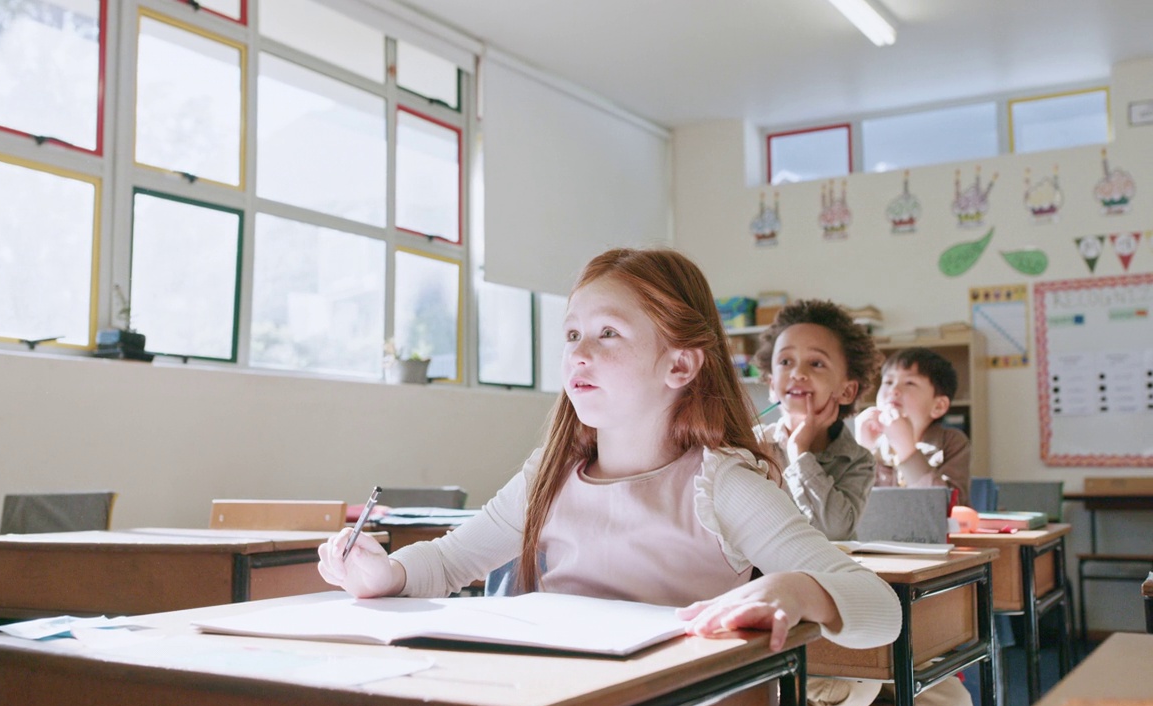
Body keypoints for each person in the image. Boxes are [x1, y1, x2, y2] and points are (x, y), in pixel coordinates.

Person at [318, 247, 900, 655]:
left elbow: (881, 609)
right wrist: (386, 573)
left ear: (679, 364)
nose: (579, 353)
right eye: (573, 334)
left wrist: (796, 588)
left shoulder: (721, 484)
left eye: (609, 333)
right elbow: (447, 564)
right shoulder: (549, 475)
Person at [751, 300, 881, 541]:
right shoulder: (752, 446)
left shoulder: (858, 461)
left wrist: (799, 453)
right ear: (771, 385)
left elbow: (834, 531)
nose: (797, 373)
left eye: (816, 363)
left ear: (847, 391)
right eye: (785, 362)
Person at [855, 347, 971, 507]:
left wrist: (907, 450)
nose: (893, 390)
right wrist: (862, 450)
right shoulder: (870, 444)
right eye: (888, 382)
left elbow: (946, 508)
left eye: (910, 383)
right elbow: (848, 509)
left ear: (938, 406)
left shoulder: (951, 442)